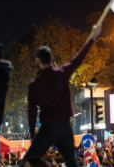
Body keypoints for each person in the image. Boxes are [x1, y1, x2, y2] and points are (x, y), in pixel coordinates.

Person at [21, 25, 101, 167]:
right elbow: (79, 59)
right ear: (52, 58)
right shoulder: (62, 74)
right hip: (64, 126)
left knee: (27, 161)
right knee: (71, 162)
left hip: (47, 127)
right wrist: (93, 36)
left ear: (37, 60)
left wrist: (33, 135)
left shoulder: (33, 85)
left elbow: (32, 113)